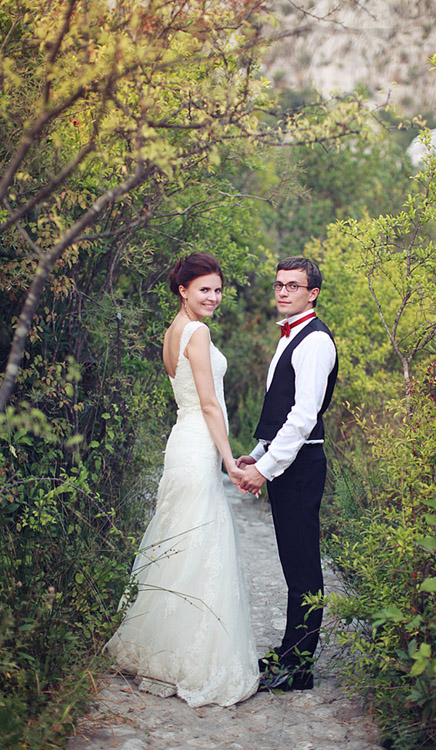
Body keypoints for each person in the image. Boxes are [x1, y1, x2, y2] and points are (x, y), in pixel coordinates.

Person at [105, 252, 259, 707]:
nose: (213, 297)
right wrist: (230, 460)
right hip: (197, 444)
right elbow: (210, 404)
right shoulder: (198, 331)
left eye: (217, 289)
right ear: (183, 290)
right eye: (204, 289)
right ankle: (191, 657)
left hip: (183, 442)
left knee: (180, 537)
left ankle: (160, 646)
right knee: (199, 539)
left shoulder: (173, 332)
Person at [237, 256, 338, 692]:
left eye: (292, 286)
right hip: (287, 462)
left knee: (302, 569)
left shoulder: (315, 341)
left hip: (301, 467)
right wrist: (256, 455)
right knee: (292, 564)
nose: (282, 292)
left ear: (312, 293)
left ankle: (299, 668)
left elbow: (302, 418)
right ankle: (289, 650)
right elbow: (279, 410)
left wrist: (266, 470)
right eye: (279, 284)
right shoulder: (290, 336)